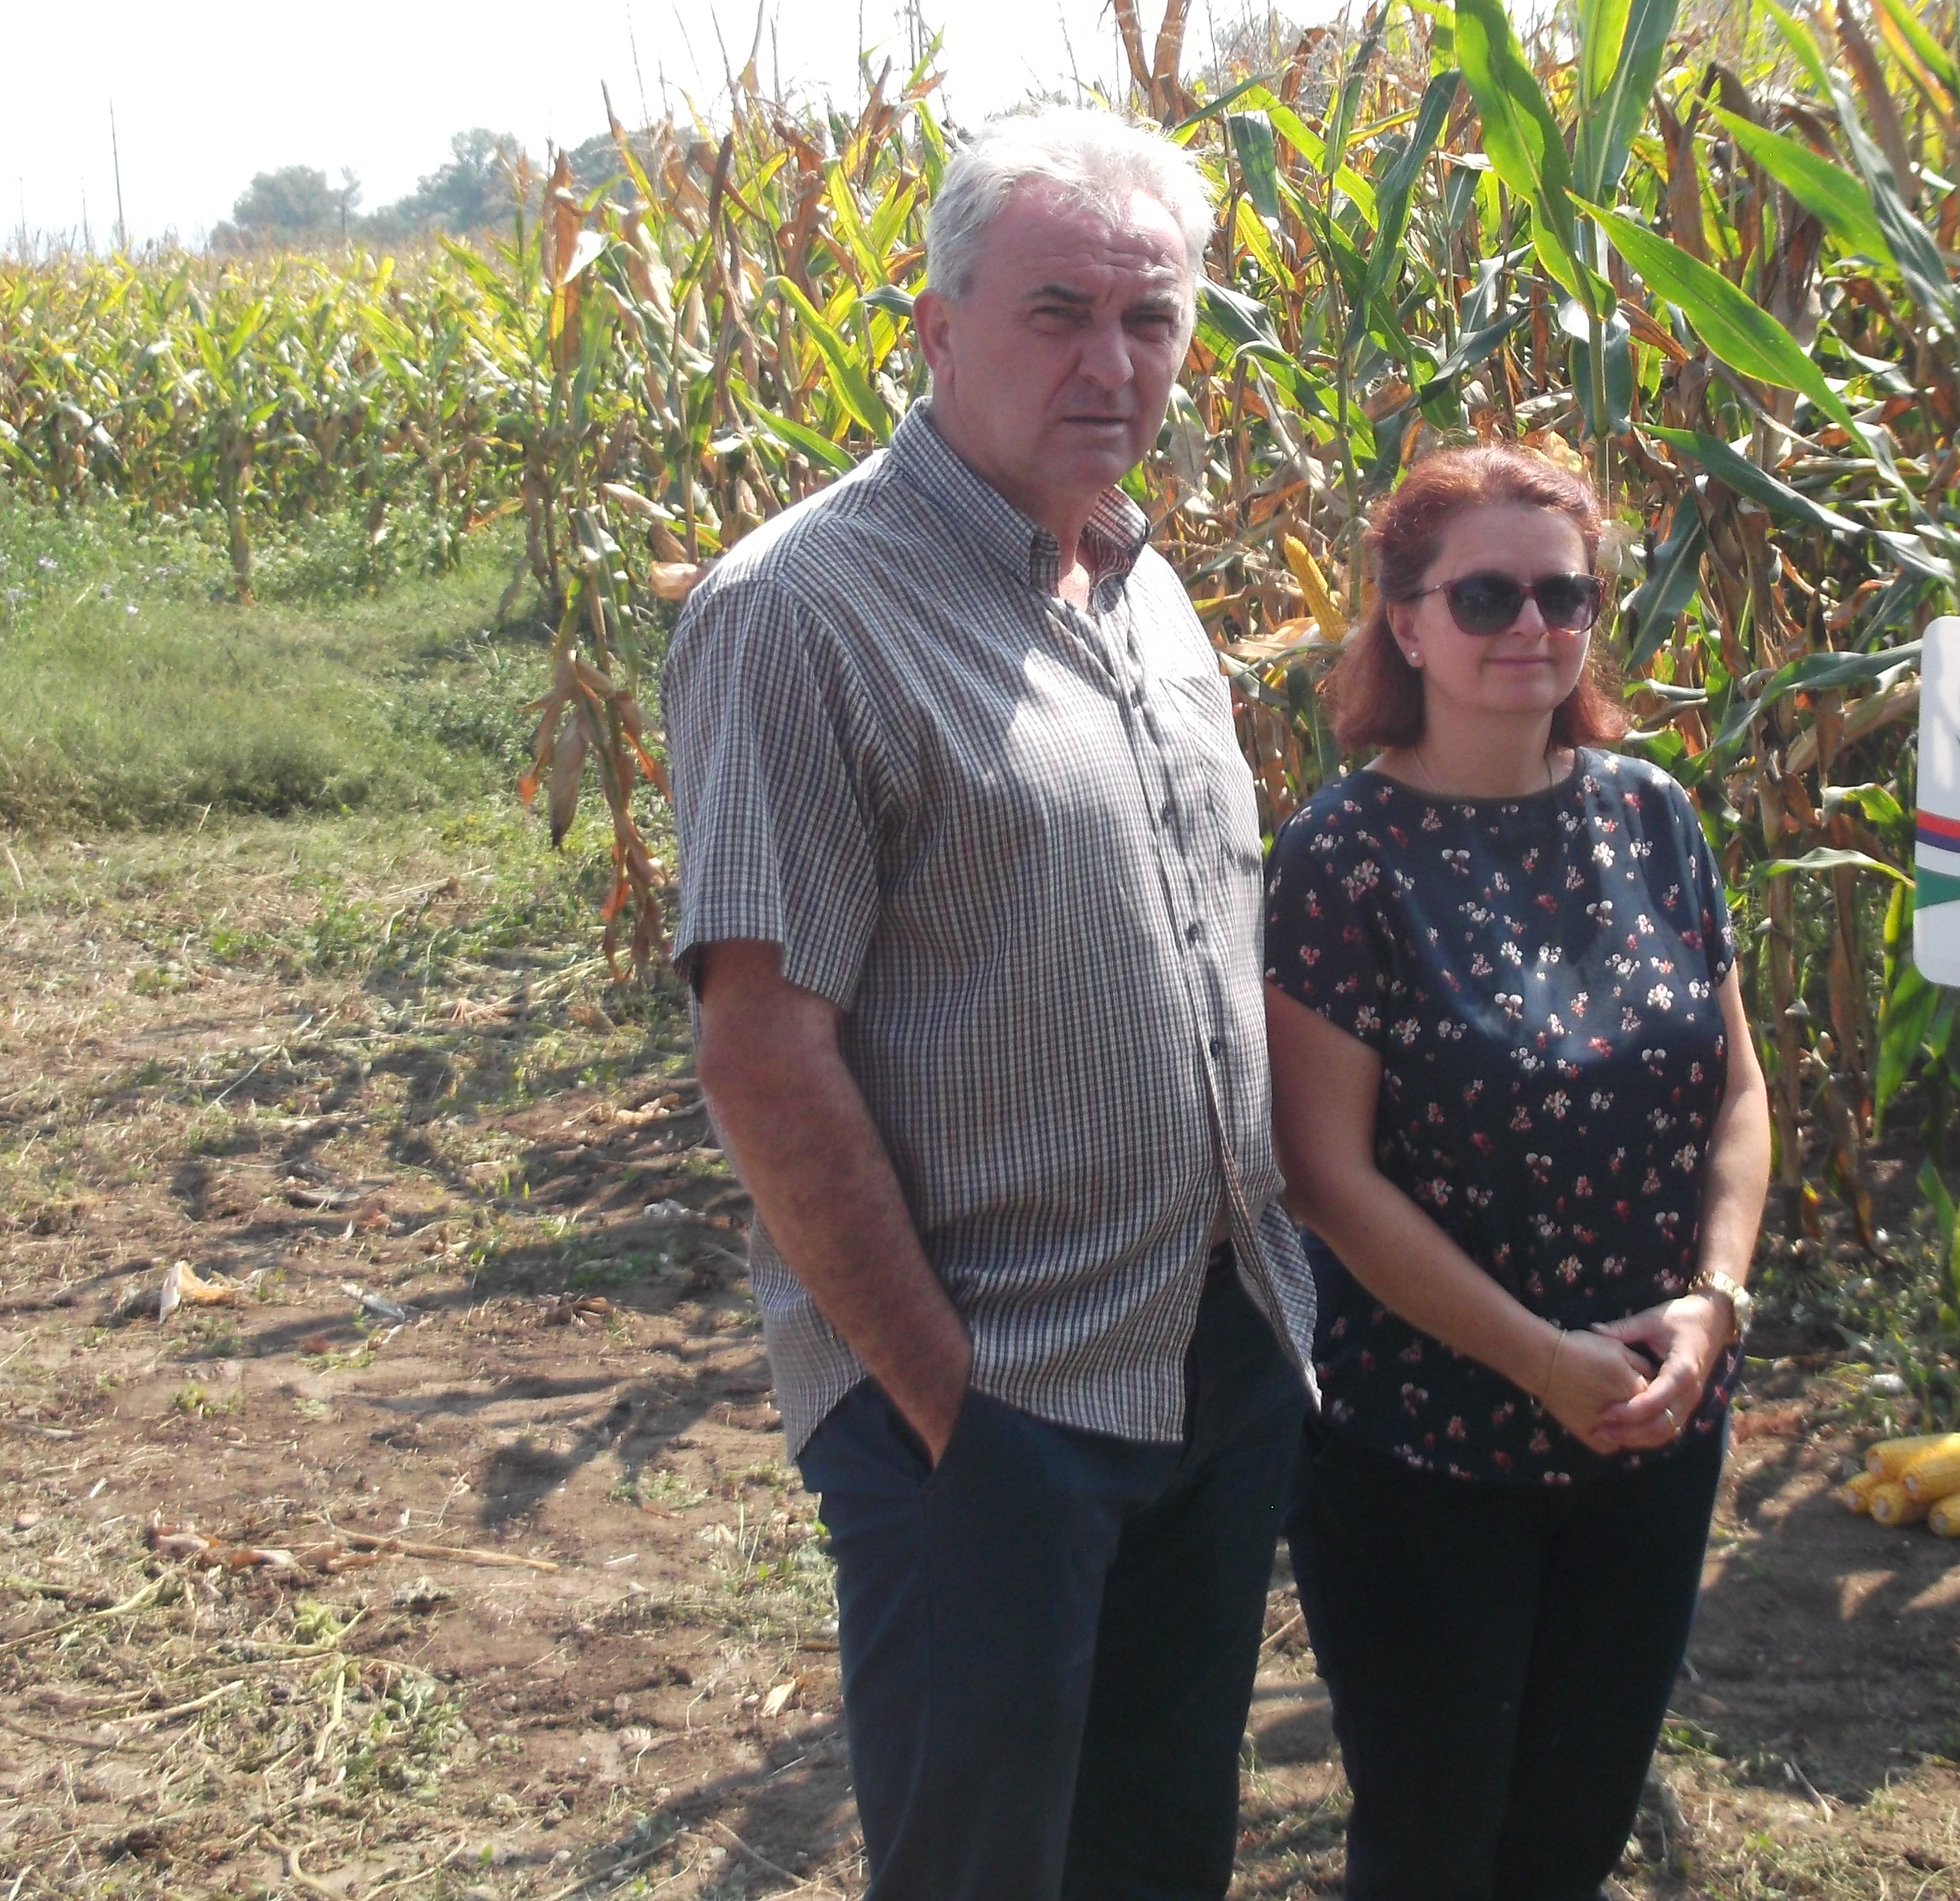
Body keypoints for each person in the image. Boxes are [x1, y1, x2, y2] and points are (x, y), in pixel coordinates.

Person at [661, 108, 1319, 1901]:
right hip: (992, 1391)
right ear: (937, 329)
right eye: (1056, 313)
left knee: (1154, 1853)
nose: (1111, 364)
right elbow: (760, 1047)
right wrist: (948, 1406)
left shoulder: (1142, 583)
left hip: (1210, 1354)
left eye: (1151, 319)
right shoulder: (799, 611)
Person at [1262, 442, 1773, 1901]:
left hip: (1650, 1423)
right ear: (1404, 623)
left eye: (1565, 595)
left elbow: (1737, 1094)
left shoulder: (1652, 816)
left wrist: (1712, 1304)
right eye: (1483, 596)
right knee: (1435, 1846)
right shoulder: (1343, 855)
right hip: (1424, 1450)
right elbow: (1323, 1177)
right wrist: (1539, 1360)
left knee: (1569, 1838)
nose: (1530, 626)